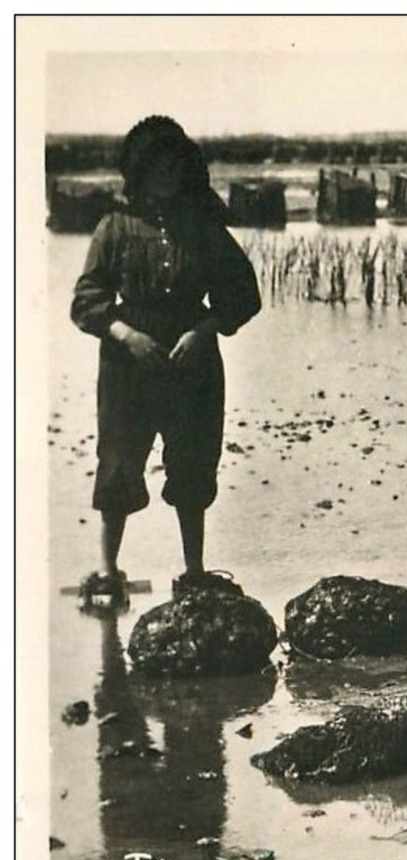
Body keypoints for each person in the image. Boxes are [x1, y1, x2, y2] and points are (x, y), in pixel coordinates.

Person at [70, 115, 262, 605]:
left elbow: (242, 294)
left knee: (195, 462)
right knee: (118, 461)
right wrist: (126, 335)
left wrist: (204, 330)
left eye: (174, 165)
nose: (166, 174)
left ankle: (193, 571)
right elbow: (87, 300)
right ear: (137, 170)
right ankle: (108, 570)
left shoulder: (204, 227)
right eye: (156, 165)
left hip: (192, 363)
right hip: (128, 366)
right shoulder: (113, 227)